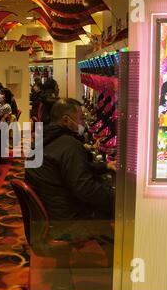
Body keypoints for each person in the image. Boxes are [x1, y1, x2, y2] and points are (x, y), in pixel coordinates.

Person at [25, 99, 115, 240]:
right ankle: (118, 256)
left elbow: (69, 166)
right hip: (66, 222)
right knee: (117, 211)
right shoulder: (69, 145)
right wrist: (117, 197)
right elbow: (85, 189)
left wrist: (104, 166)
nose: (83, 123)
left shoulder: (43, 138)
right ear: (66, 120)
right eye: (81, 118)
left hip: (50, 214)